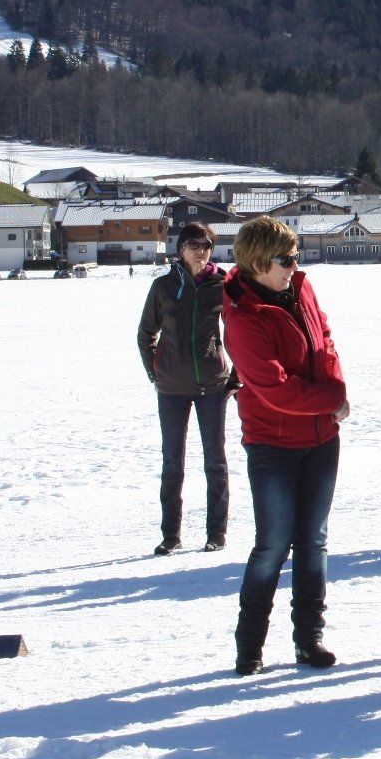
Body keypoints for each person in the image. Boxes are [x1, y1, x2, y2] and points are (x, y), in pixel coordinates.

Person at [223, 218, 347, 675]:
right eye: (286, 260)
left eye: (296, 258)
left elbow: (324, 338)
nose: (294, 267)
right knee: (273, 544)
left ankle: (309, 638)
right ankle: (250, 644)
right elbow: (275, 388)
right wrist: (330, 400)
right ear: (257, 263)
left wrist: (335, 387)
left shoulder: (300, 288)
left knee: (313, 541)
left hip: (321, 438)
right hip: (273, 444)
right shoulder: (242, 317)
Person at [137, 222, 234, 555]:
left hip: (212, 384)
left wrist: (236, 373)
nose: (201, 251)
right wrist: (156, 372)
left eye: (206, 245)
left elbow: (241, 331)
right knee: (172, 463)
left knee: (215, 461)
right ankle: (171, 535)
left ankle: (216, 532)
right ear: (181, 249)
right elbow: (145, 334)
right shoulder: (163, 287)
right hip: (171, 388)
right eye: (194, 245)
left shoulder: (222, 285)